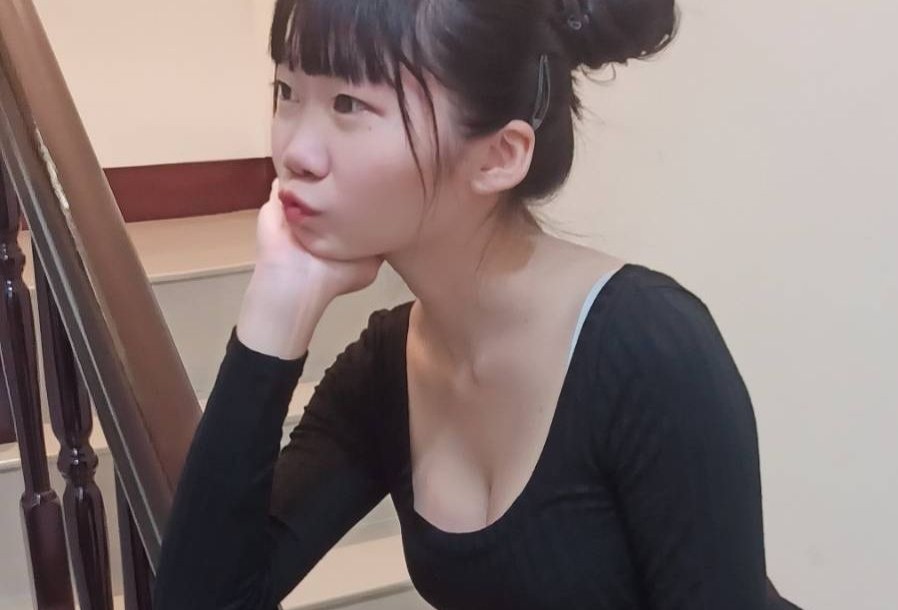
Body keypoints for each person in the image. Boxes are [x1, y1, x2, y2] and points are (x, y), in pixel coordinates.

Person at [154, 0, 801, 608]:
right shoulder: (385, 370)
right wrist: (275, 309)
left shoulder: (650, 352)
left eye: (348, 103)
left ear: (498, 156)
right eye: (286, 92)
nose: (296, 152)